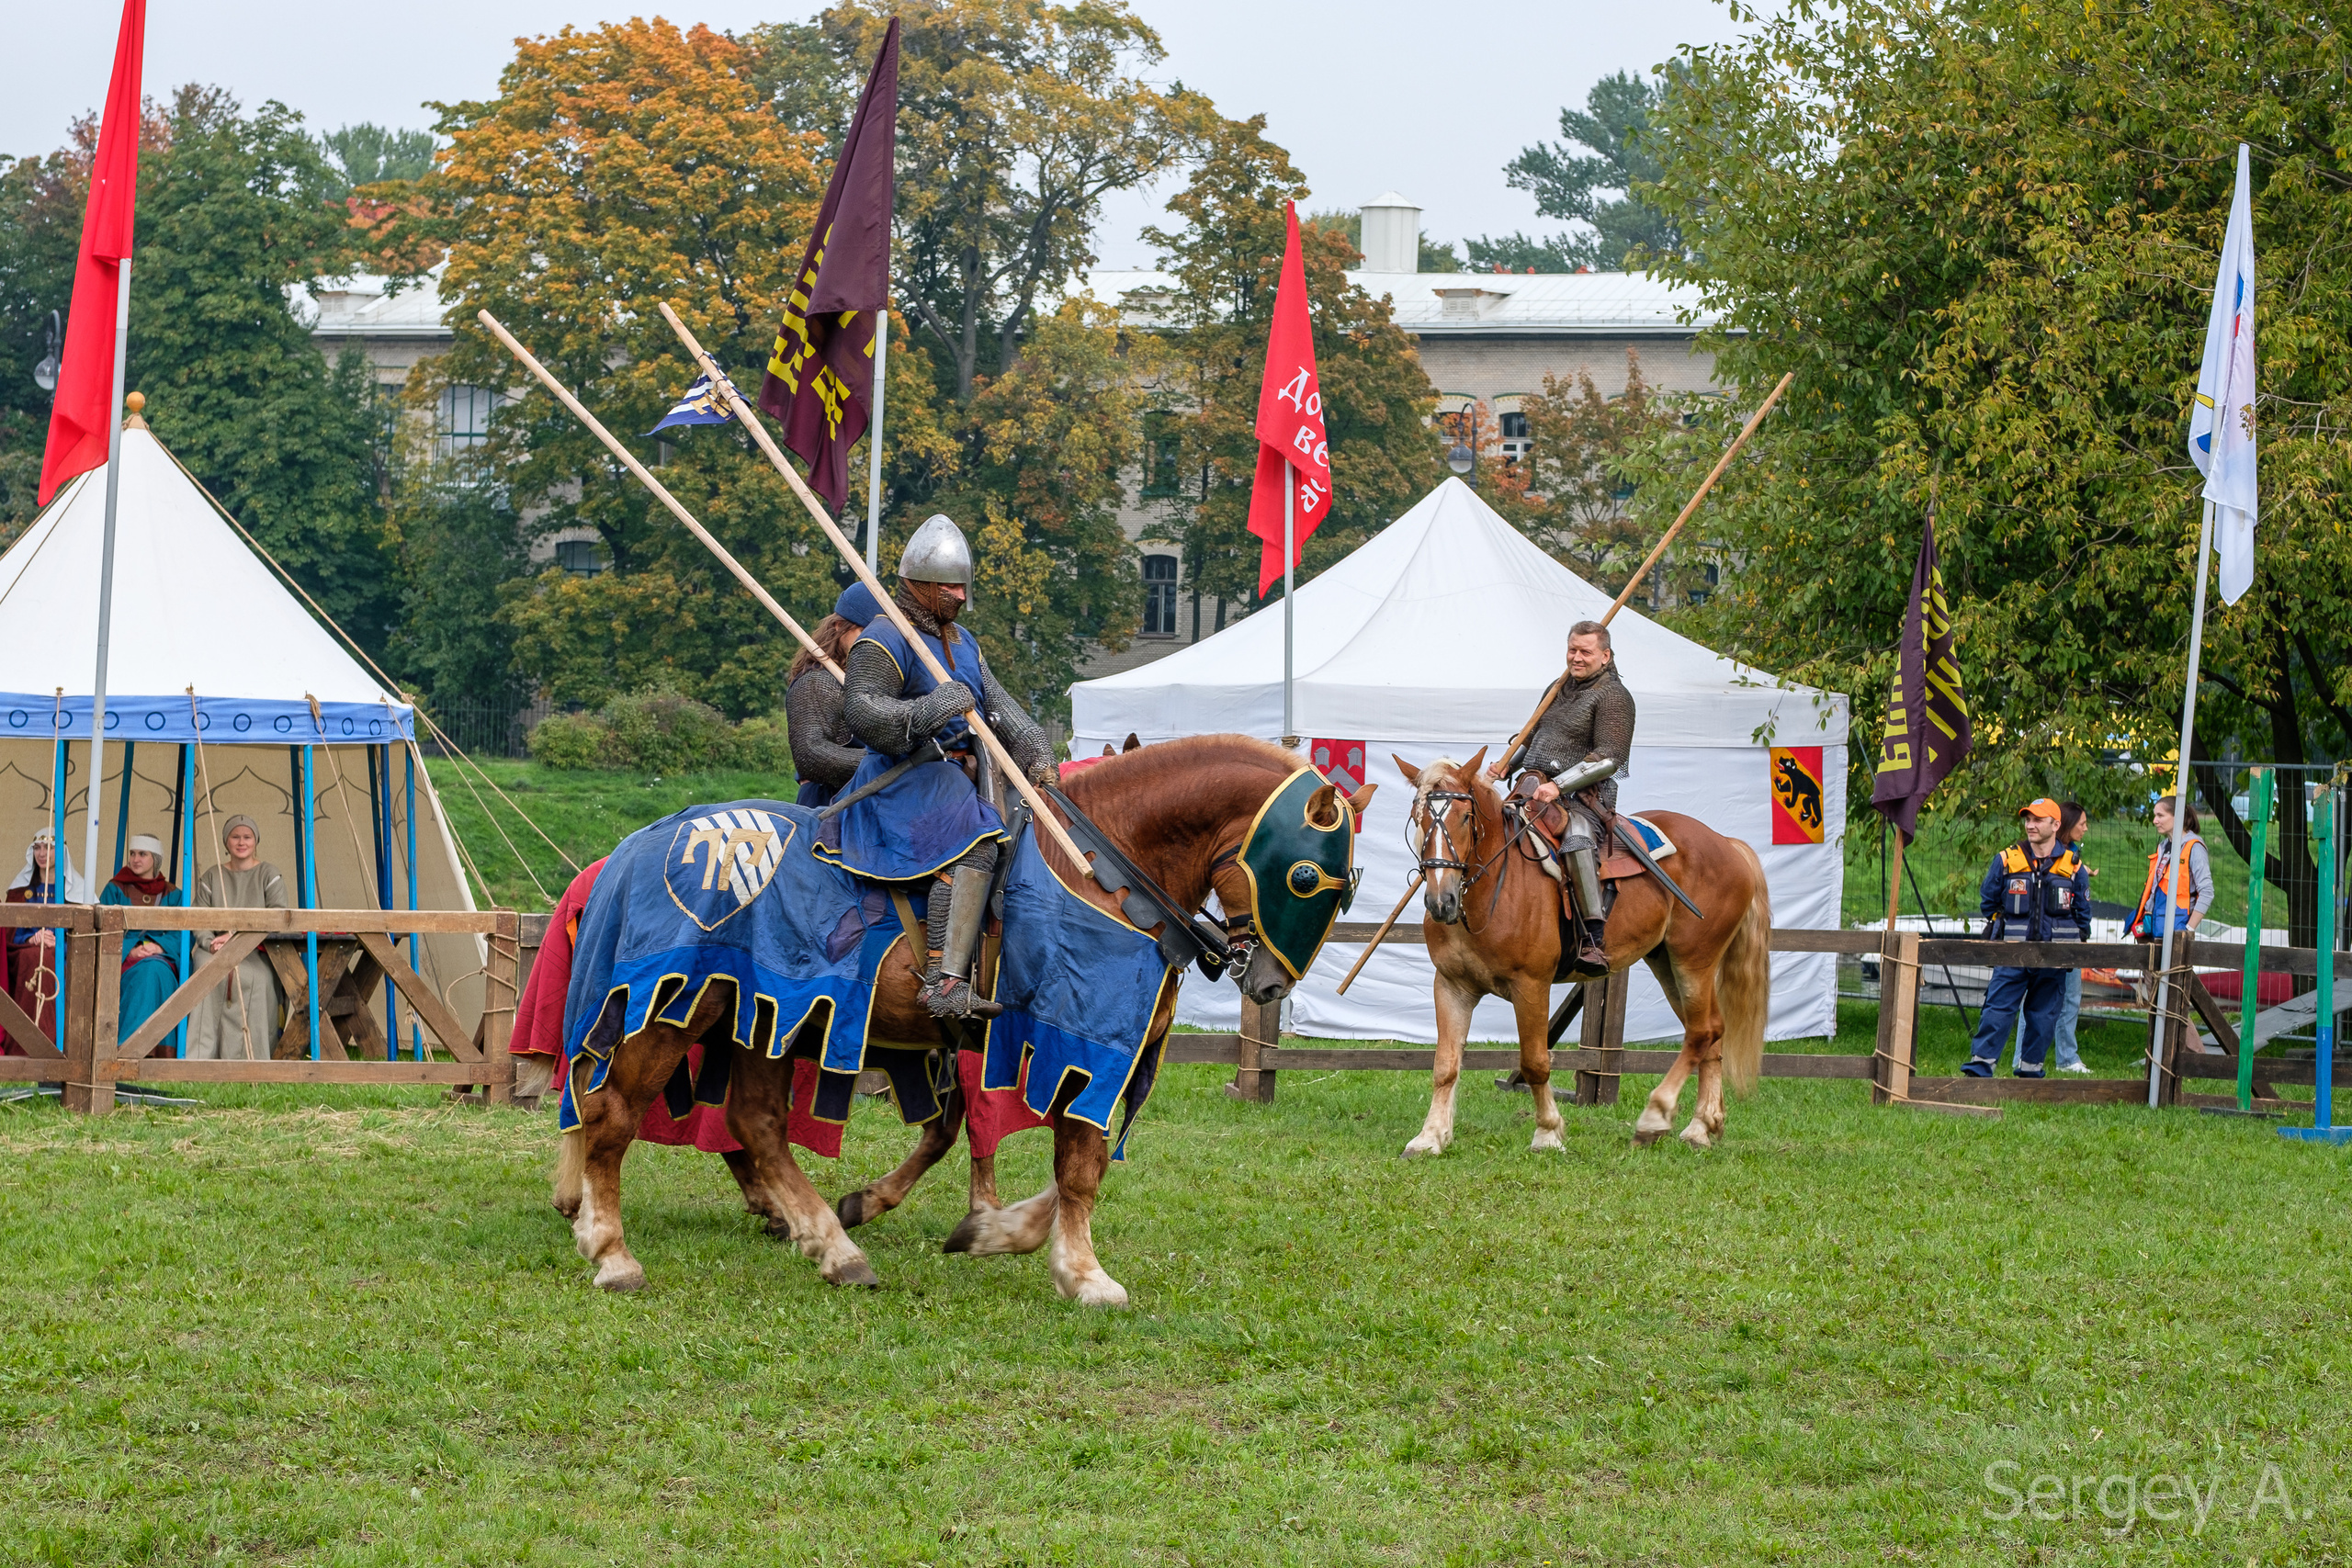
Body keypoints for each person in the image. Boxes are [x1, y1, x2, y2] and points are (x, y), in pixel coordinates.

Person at [826, 513, 1055, 1019]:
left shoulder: (963, 642)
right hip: (904, 776)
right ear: (920, 585)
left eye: (962, 585)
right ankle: (945, 982)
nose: (958, 594)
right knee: (977, 836)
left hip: (955, 775)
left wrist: (1036, 750)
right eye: (948, 585)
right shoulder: (884, 637)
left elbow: (997, 705)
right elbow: (863, 713)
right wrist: (931, 709)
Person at [1486, 619, 1634, 976]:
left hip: (1582, 798)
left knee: (1578, 840)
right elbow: (1535, 736)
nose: (1577, 658)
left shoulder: (1614, 695)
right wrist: (1509, 764)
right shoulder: (1558, 686)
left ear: (1605, 655)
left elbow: (1610, 757)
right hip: (1530, 789)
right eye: (1572, 649)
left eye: (1585, 651)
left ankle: (1592, 940)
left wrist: (1560, 786)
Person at [1963, 798, 2090, 1077]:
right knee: (1997, 1010)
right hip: (2012, 953)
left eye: (2038, 820)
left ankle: (2030, 1073)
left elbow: (2083, 914)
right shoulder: (2007, 858)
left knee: (2043, 1017)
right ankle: (1980, 1068)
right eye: (2028, 819)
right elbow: (1988, 901)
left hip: (2053, 957)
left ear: (2056, 825)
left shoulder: (2074, 866)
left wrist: (2072, 943)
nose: (2030, 825)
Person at [186, 815, 289, 1060]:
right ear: (226, 842)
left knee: (260, 978)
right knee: (204, 972)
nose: (241, 842)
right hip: (215, 947)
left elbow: (277, 914)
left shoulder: (269, 873)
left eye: (247, 837)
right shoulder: (212, 876)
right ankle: (200, 1056)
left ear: (255, 841)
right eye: (235, 837)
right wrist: (209, 943)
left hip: (257, 947)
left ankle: (252, 1057)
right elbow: (199, 916)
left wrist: (236, 937)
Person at [2014, 801, 2095, 1073]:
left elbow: (2081, 904)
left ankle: (2066, 1058)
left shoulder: (2073, 859)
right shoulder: (2036, 857)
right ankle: (2028, 1060)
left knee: (2068, 998)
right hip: (2042, 942)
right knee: (2035, 1001)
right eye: (2081, 823)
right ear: (2066, 825)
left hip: (2067, 941)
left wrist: (2081, 933)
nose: (2085, 828)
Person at [786, 582, 880, 808]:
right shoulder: (817, 682)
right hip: (829, 804)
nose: (873, 642)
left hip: (871, 799)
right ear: (839, 627)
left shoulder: (871, 677)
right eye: (864, 632)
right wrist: (882, 763)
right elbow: (813, 755)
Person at [98, 834, 188, 1042]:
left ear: (155, 858)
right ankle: (130, 1044)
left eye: (142, 854)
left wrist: (159, 947)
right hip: (121, 956)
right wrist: (129, 949)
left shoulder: (173, 894)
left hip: (162, 956)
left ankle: (150, 1047)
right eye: (132, 854)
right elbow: (103, 929)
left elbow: (184, 931)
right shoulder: (115, 889)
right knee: (148, 972)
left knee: (155, 971)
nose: (135, 859)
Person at [5, 829, 87, 1055]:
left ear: (61, 852)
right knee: (34, 956)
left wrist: (59, 943)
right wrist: (32, 938)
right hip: (26, 955)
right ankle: (24, 1046)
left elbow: (86, 937)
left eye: (49, 848)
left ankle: (55, 1044)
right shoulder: (21, 892)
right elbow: (10, 935)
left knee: (51, 958)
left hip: (66, 955)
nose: (42, 853)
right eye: (37, 848)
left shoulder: (77, 892)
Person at [2132, 794, 2213, 942]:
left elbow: (2207, 892)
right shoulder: (2163, 847)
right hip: (2155, 929)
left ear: (2178, 816)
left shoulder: (2194, 847)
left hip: (2177, 934)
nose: (2155, 821)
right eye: (2155, 815)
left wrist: (2188, 930)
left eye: (2160, 815)